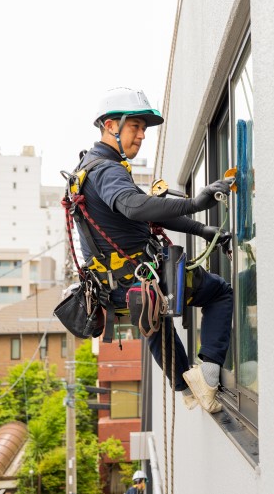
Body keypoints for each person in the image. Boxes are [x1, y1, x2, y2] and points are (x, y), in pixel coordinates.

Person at [76, 87, 233, 413]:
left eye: (144, 130)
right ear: (109, 126)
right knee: (220, 293)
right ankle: (207, 374)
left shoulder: (89, 169)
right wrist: (196, 202)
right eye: (135, 127)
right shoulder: (108, 170)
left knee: (153, 322)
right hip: (143, 274)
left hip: (120, 286)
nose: (142, 136)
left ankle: (189, 388)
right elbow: (135, 207)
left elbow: (145, 215)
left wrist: (202, 229)